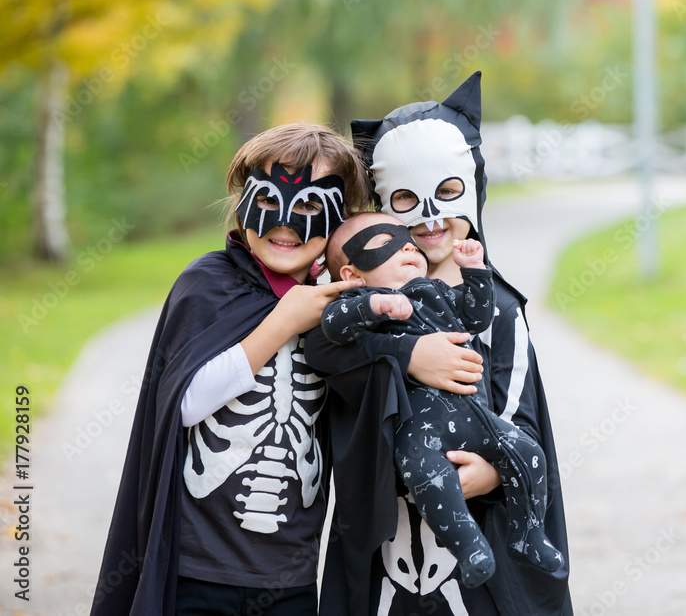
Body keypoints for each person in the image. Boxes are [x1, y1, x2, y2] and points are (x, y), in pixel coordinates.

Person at [306, 72, 572, 616]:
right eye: (405, 198)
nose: (430, 217)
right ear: (382, 205)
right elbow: (331, 364)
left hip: (485, 536)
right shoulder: (357, 303)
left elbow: (520, 415)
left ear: (472, 186)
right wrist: (406, 354)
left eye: (448, 193)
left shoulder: (497, 306)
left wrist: (496, 471)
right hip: (385, 540)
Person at [91, 123, 373, 616]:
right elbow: (183, 403)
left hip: (291, 571)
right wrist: (286, 320)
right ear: (242, 203)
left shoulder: (341, 305)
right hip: (198, 569)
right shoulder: (206, 285)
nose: (286, 223)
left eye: (309, 206)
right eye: (268, 200)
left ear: (340, 219)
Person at [321, 212, 564, 588]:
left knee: (530, 455)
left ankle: (527, 533)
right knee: (427, 476)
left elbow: (477, 316)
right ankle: (470, 547)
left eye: (405, 237)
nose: (405, 244)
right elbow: (333, 325)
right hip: (423, 431)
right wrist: (373, 307)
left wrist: (476, 272)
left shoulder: (435, 291)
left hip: (478, 419)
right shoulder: (365, 301)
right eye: (383, 242)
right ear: (352, 275)